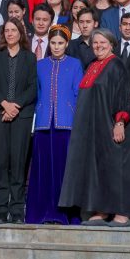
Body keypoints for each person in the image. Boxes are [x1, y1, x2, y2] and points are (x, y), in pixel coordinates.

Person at [59, 28, 130, 226]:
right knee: (100, 169)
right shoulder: (92, 64)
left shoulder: (116, 65)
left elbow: (123, 96)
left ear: (111, 45)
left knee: (117, 168)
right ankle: (101, 211)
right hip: (95, 129)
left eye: (103, 42)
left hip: (112, 125)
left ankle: (122, 214)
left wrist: (120, 122)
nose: (98, 46)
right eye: (95, 43)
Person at [26, 25, 82, 225]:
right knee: (42, 170)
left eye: (60, 43)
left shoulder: (75, 64)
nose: (57, 46)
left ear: (66, 44)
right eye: (53, 43)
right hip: (43, 124)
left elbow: (78, 93)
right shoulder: (40, 65)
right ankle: (41, 213)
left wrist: (75, 117)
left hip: (66, 124)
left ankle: (63, 214)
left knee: (64, 170)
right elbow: (36, 92)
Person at [0, 18, 38, 224]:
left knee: (18, 163)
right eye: (6, 30)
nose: (9, 34)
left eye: (13, 30)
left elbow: (32, 87)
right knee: (0, 162)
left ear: (20, 33)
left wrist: (15, 106)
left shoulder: (29, 57)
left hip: (21, 115)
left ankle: (16, 210)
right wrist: (4, 104)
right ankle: (0, 211)